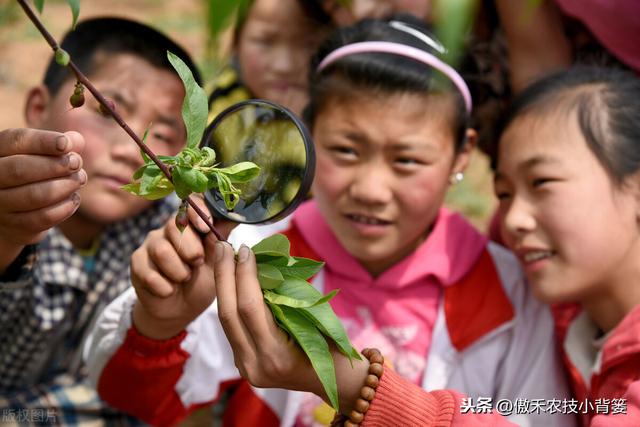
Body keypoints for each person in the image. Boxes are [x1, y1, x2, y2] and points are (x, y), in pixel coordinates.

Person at [86, 15, 573, 427]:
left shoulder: (510, 292)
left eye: (406, 161)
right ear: (310, 132)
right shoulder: (247, 252)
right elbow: (131, 398)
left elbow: (535, 412)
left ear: (461, 152)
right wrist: (158, 324)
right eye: (345, 150)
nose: (370, 189)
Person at [209, 66, 640, 426]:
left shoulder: (514, 291)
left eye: (542, 183)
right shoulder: (570, 313)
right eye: (504, 193)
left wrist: (358, 384)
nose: (513, 220)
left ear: (459, 157)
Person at [0, 17, 205, 425]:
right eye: (108, 112)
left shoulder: (168, 241)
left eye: (163, 135)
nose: (133, 151)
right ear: (39, 107)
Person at [207, 0, 332, 122]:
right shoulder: (216, 103)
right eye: (265, 42)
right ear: (236, 42)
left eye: (307, 44)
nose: (284, 66)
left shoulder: (336, 110)